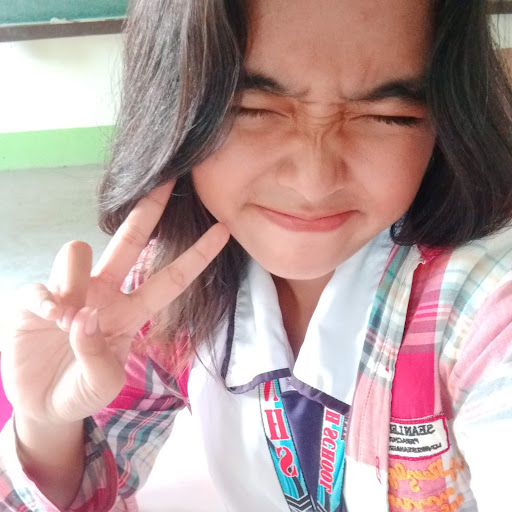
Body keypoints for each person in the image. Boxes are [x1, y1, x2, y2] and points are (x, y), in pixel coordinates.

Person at [1, 0, 512, 510]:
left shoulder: (486, 310)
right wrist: (47, 429)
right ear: (173, 110)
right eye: (253, 109)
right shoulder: (163, 291)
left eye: (388, 116)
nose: (314, 182)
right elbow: (89, 484)